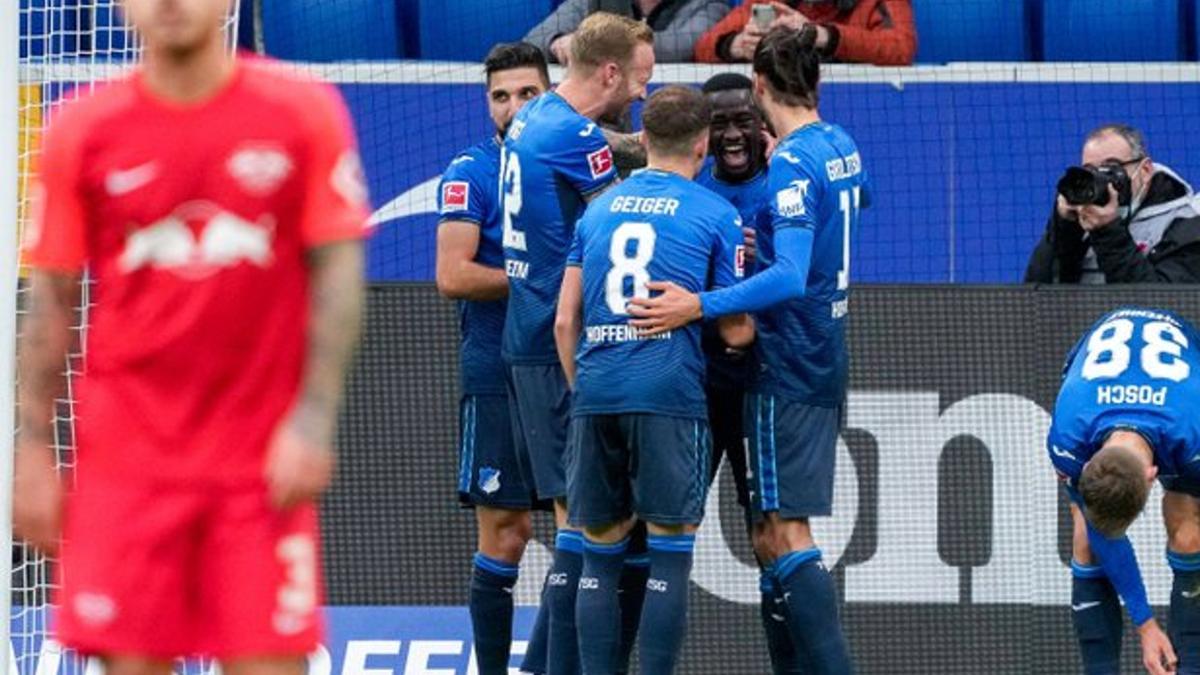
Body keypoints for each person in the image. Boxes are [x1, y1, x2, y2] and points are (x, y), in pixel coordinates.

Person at [13, 0, 369, 671]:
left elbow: (338, 276)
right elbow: (52, 297)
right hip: (125, 470)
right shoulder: (81, 128)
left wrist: (314, 420)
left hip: (257, 468)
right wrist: (32, 447)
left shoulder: (301, 112)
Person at [627, 27, 867, 673]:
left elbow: (788, 275)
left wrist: (696, 303)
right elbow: (847, 210)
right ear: (816, 81)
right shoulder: (839, 145)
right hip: (820, 353)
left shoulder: (790, 163)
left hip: (780, 361)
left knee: (783, 533)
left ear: (760, 87)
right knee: (769, 536)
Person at [554, 84, 754, 675]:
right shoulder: (717, 213)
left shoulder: (598, 209)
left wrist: (583, 387)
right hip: (667, 392)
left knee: (601, 554)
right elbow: (738, 335)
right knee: (669, 552)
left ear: (642, 140)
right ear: (704, 143)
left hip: (596, 390)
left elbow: (565, 320)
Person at [500, 12, 654, 674]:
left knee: (575, 518)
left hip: (523, 337)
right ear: (612, 72)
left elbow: (592, 148)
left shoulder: (534, 117)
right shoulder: (577, 138)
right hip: (557, 341)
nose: (644, 93)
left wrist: (633, 142)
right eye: (642, 80)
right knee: (583, 526)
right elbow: (622, 221)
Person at [434, 42, 550, 675]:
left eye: (527, 93)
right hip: (498, 372)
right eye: (501, 96)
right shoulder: (470, 171)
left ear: (550, 93)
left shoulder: (574, 164)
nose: (512, 108)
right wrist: (539, 273)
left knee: (587, 536)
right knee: (507, 534)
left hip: (569, 372)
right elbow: (452, 274)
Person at [1046, 306, 1200, 675]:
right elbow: (1102, 529)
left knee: (1190, 532)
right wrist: (1145, 624)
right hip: (1095, 362)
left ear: (1152, 475)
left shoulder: (1194, 440)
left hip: (1182, 373)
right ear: (1087, 466)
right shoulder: (1067, 441)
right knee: (1086, 535)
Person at [1024, 124, 1200, 284]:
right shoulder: (1083, 219)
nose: (1101, 179)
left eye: (1111, 168)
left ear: (1145, 170)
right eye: (1090, 171)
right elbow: (1036, 296)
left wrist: (1107, 231)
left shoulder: (1187, 224)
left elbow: (1162, 306)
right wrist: (1064, 227)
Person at [693, 0, 916, 66]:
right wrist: (738, 45)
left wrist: (821, 36)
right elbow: (704, 46)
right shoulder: (771, 4)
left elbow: (901, 47)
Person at [525, 0, 729, 64]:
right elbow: (532, 42)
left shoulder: (708, 4)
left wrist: (589, 44)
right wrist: (558, 42)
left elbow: (682, 47)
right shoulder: (591, 1)